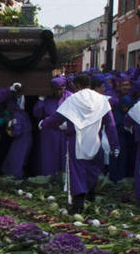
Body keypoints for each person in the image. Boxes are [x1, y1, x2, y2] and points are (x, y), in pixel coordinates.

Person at [39, 73, 118, 211]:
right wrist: (114, 144)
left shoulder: (72, 99)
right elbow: (110, 124)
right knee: (93, 169)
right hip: (95, 138)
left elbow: (57, 117)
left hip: (77, 139)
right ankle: (91, 196)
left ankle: (78, 204)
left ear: (77, 85)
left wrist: (43, 124)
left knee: (77, 171)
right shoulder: (102, 100)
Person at [33, 77, 68, 176]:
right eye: (55, 89)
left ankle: (64, 179)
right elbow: (37, 114)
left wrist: (69, 124)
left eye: (60, 88)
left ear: (64, 87)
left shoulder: (70, 97)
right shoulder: (46, 98)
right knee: (48, 157)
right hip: (49, 132)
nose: (58, 91)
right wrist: (40, 100)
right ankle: (49, 178)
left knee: (64, 156)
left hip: (64, 132)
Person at [0, 96, 32, 179]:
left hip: (21, 141)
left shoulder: (17, 115)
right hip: (26, 139)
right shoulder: (23, 113)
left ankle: (16, 179)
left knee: (16, 159)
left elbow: (17, 132)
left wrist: (9, 131)